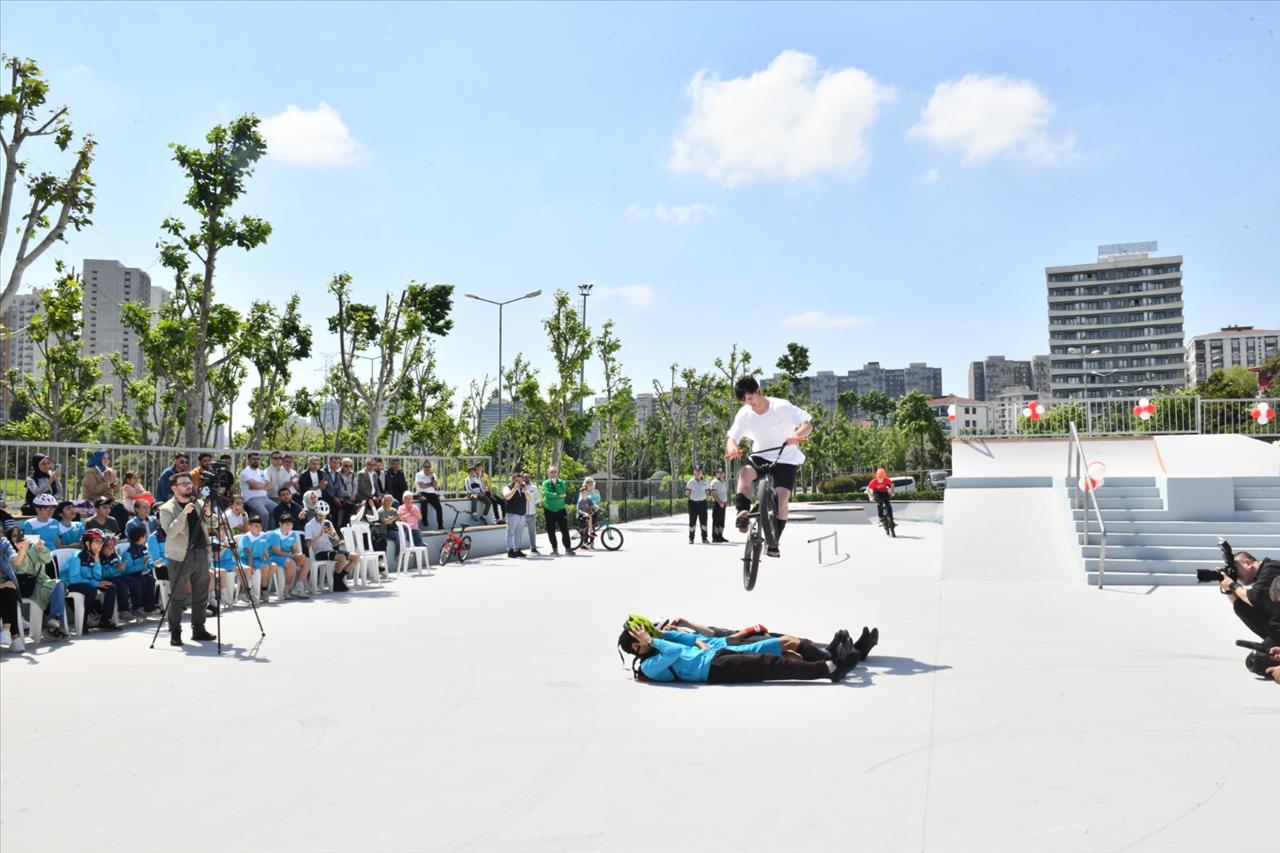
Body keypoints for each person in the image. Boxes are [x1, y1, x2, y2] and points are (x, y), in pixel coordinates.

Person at [724, 375, 813, 558]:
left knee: (782, 498)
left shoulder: (781, 406)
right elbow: (732, 437)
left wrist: (797, 435)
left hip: (785, 457)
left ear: (759, 391)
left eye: (751, 399)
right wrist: (732, 449)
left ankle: (774, 540)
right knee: (745, 473)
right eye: (745, 401)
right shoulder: (745, 413)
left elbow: (807, 424)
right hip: (760, 456)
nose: (749, 404)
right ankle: (743, 513)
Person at [618, 622, 875, 684]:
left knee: (787, 645)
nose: (646, 636)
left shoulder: (657, 647)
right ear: (636, 648)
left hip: (719, 655)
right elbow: (674, 651)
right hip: (713, 670)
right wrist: (653, 640)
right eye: (639, 638)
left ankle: (835, 662)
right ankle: (829, 669)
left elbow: (687, 640)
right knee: (771, 664)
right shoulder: (648, 667)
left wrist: (659, 634)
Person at [157, 472, 219, 645]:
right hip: (180, 556)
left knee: (201, 594)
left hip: (200, 552)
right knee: (178, 596)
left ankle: (198, 629)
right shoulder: (167, 508)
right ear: (174, 488)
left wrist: (207, 514)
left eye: (189, 483)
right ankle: (175, 633)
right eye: (183, 483)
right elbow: (171, 531)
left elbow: (213, 523)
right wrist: (183, 513)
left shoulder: (198, 502)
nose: (188, 486)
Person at [4, 524, 69, 639]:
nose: (19, 538)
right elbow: (20, 570)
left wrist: (41, 548)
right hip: (23, 586)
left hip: (40, 583)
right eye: (14, 536)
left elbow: (47, 559)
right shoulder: (10, 553)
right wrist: (22, 551)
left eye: (20, 534)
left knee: (58, 584)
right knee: (56, 588)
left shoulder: (33, 547)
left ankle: (55, 622)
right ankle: (56, 627)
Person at [58, 530, 121, 632]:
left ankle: (104, 620)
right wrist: (95, 583)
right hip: (70, 584)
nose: (100, 545)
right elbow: (74, 579)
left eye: (101, 542)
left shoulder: (94, 555)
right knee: (91, 590)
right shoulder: (77, 557)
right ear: (87, 543)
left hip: (87, 582)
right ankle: (84, 620)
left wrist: (96, 561)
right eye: (97, 541)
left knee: (111, 587)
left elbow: (97, 576)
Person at [1219, 550, 1280, 644]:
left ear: (1247, 563)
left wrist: (1231, 584)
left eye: (1235, 570)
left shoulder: (1272, 568)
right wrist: (1227, 588)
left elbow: (1252, 598)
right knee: (1240, 607)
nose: (1237, 576)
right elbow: (1241, 604)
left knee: (1256, 659)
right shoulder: (1265, 574)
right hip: (1276, 632)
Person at [304, 503, 353, 592]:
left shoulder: (328, 523)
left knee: (356, 557)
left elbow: (337, 539)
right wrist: (320, 534)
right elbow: (308, 545)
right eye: (320, 515)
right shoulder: (309, 525)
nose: (322, 518)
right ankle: (338, 582)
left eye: (325, 515)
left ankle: (338, 580)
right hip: (319, 553)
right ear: (316, 512)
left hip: (330, 550)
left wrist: (331, 533)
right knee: (342, 558)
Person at [119, 525, 161, 618]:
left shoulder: (144, 549)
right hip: (133, 575)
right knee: (139, 581)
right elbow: (127, 570)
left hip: (144, 573)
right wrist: (143, 564)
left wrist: (152, 564)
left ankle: (148, 605)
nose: (145, 538)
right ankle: (137, 607)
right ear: (138, 538)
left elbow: (148, 564)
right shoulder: (127, 553)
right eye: (144, 536)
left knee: (151, 579)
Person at [270, 514, 311, 599]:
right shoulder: (275, 534)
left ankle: (297, 588)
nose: (289, 526)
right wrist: (293, 555)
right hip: (274, 557)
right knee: (291, 563)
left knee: (306, 561)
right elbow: (277, 551)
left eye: (290, 524)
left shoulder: (292, 534)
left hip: (288, 556)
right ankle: (286, 590)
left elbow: (294, 548)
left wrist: (298, 554)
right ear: (280, 524)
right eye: (286, 524)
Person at [0, 533, 28, 652]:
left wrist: (21, 550)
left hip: (4, 585)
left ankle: (6, 630)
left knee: (10, 589)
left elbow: (16, 562)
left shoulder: (2, 542)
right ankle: (14, 635)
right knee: (6, 588)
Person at [237, 516, 275, 603]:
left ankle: (262, 588)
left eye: (260, 526)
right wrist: (251, 567)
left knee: (273, 566)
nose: (259, 528)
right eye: (256, 526)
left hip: (259, 559)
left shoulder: (263, 535)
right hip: (247, 560)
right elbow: (250, 554)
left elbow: (265, 549)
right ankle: (261, 591)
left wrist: (269, 560)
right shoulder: (247, 537)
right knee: (265, 567)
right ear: (250, 527)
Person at [239, 452, 277, 529]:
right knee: (264, 514)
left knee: (277, 509)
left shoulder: (261, 472)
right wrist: (260, 485)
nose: (256, 461)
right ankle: (262, 535)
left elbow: (270, 485)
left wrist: (258, 486)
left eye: (258, 459)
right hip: (251, 498)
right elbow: (255, 485)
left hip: (264, 498)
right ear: (249, 460)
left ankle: (272, 532)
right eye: (253, 459)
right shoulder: (245, 472)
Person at [541, 466, 573, 556]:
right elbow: (547, 494)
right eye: (551, 472)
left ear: (557, 473)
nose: (553, 473)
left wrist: (555, 485)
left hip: (561, 510)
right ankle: (555, 549)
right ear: (548, 473)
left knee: (564, 530)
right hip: (549, 510)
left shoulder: (562, 482)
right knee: (551, 531)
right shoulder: (545, 483)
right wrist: (559, 496)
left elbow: (562, 491)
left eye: (555, 471)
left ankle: (568, 549)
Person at [502, 473, 529, 558]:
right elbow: (507, 497)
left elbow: (529, 499)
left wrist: (526, 492)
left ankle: (518, 550)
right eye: (517, 480)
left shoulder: (523, 488)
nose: (519, 482)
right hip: (512, 513)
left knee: (519, 533)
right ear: (513, 480)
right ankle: (510, 550)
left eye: (520, 480)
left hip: (521, 513)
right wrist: (514, 489)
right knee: (510, 533)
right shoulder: (507, 487)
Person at [414, 460, 445, 530]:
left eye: (429, 466)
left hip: (432, 493)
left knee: (439, 507)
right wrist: (431, 484)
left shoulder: (433, 475)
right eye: (426, 466)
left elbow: (436, 485)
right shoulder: (419, 474)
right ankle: (424, 520)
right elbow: (422, 486)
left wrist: (432, 478)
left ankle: (440, 526)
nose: (427, 468)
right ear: (423, 467)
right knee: (424, 501)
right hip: (421, 493)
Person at [685, 465, 710, 545]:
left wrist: (708, 493)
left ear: (701, 471)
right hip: (693, 504)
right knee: (692, 521)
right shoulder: (690, 481)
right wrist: (691, 497)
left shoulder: (705, 482)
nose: (698, 472)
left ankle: (704, 538)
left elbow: (708, 492)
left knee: (704, 521)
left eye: (699, 470)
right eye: (696, 470)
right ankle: (691, 538)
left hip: (703, 503)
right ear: (694, 472)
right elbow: (687, 493)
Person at [331, 457, 357, 531]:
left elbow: (355, 485)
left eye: (350, 466)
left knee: (359, 505)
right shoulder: (337, 474)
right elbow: (340, 489)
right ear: (342, 465)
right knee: (350, 506)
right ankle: (342, 527)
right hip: (341, 497)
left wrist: (354, 495)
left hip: (352, 497)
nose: (348, 468)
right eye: (346, 466)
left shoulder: (353, 474)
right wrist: (349, 496)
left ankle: (352, 527)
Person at [709, 467, 729, 543]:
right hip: (717, 504)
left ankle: (720, 536)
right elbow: (713, 494)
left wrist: (726, 501)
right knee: (716, 521)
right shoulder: (714, 482)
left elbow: (724, 493)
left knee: (721, 521)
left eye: (722, 472)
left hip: (723, 504)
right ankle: (715, 537)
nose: (721, 474)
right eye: (719, 472)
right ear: (716, 473)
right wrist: (720, 502)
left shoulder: (723, 481)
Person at [523, 473, 541, 555]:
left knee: (532, 531)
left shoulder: (534, 487)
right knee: (518, 531)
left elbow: (539, 498)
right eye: (525, 477)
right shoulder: (520, 487)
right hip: (521, 513)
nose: (526, 478)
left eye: (528, 477)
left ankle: (533, 548)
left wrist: (534, 503)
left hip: (532, 513)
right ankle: (516, 548)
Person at [576, 482, 597, 549]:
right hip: (582, 516)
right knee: (584, 530)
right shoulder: (581, 501)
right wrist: (584, 513)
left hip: (587, 515)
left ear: (587, 493)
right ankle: (591, 532)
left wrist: (600, 508)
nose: (584, 494)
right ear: (581, 494)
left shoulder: (588, 500)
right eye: (583, 493)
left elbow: (593, 505)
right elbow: (578, 510)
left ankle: (587, 541)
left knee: (587, 526)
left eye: (585, 493)